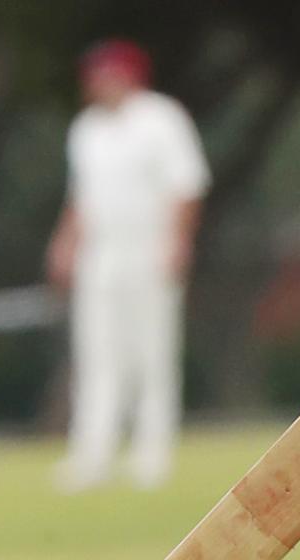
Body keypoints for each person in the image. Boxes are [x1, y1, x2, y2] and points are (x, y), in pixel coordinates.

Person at [46, 39, 210, 492]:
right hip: (101, 254)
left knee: (151, 354)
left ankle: (151, 455)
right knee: (97, 355)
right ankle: (91, 454)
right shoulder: (87, 129)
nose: (97, 83)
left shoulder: (160, 119)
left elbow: (186, 185)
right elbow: (81, 197)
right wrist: (65, 244)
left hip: (149, 249)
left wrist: (177, 242)